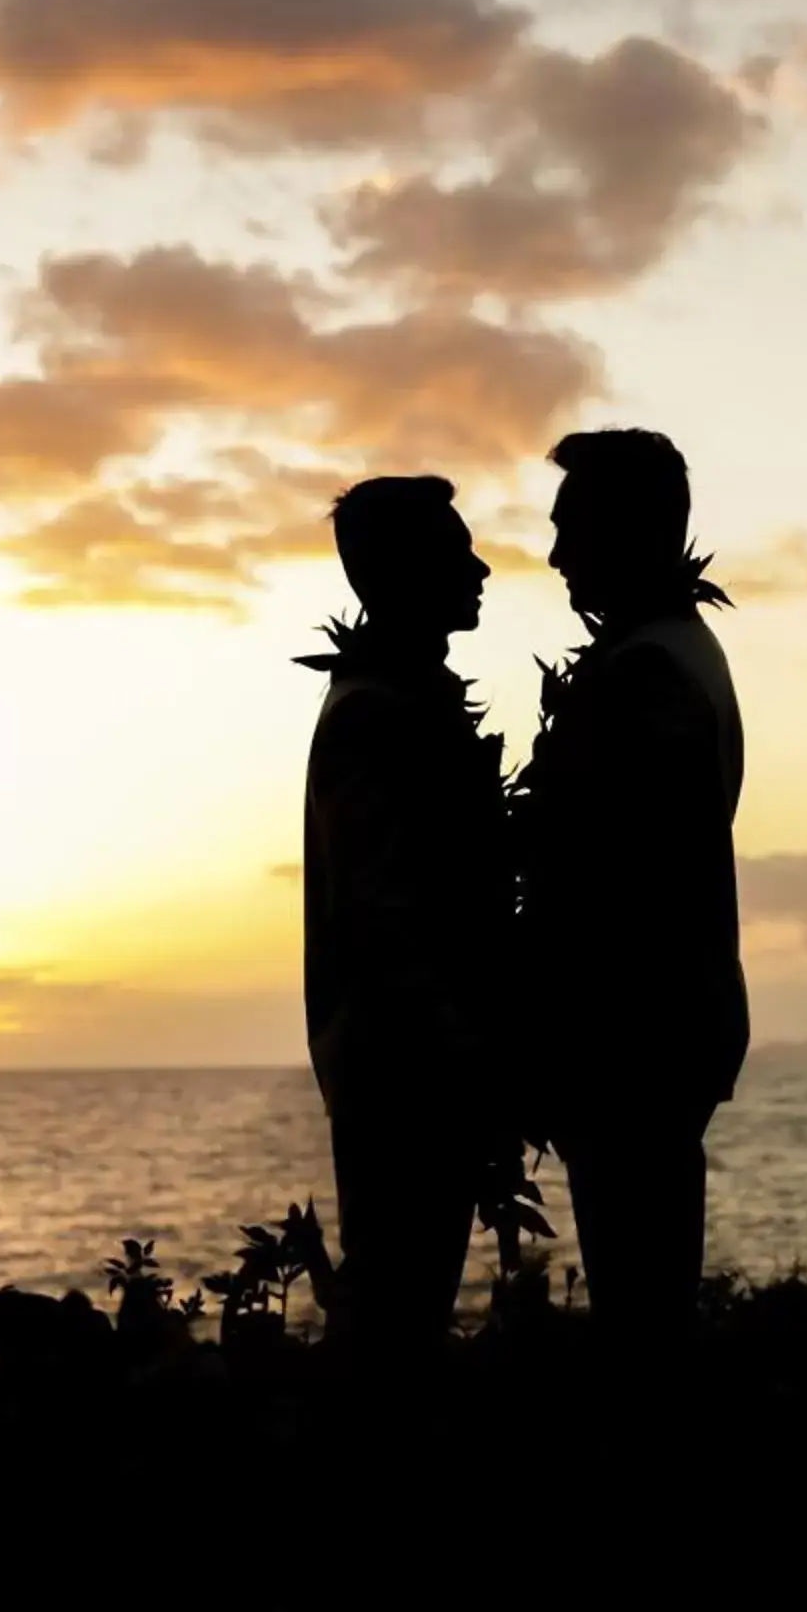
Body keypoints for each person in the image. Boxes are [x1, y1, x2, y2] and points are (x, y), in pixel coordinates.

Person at [519, 428, 748, 1340]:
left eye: (575, 526)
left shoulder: (647, 672)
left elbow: (615, 876)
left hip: (633, 1039)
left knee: (640, 1315)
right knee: (646, 1304)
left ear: (638, 530)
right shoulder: (679, 651)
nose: (557, 554)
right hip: (661, 1032)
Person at [301, 476, 512, 1357]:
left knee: (409, 1308)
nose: (482, 567)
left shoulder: (398, 702)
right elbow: (384, 911)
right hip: (404, 1074)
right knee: (396, 1312)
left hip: (416, 1066)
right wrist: (466, 1048)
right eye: (457, 551)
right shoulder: (375, 717)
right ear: (400, 573)